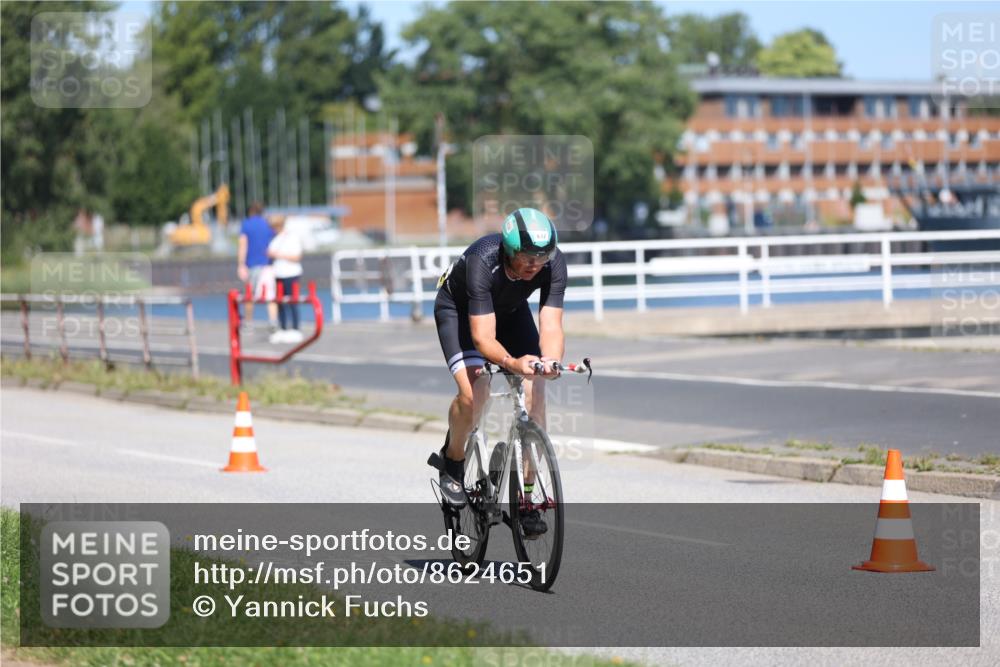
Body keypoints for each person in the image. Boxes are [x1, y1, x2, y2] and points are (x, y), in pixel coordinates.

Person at [433, 207, 566, 537]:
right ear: (508, 250)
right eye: (527, 257)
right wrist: (512, 363)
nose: (536, 265)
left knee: (537, 392)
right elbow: (482, 338)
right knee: (476, 391)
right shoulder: (482, 258)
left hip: (509, 312)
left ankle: (528, 500)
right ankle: (453, 463)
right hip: (461, 313)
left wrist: (547, 362)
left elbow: (551, 324)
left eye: (543, 256)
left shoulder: (553, 263)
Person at [237, 202, 278, 332]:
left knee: (249, 295)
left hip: (252, 264)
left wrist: (241, 264)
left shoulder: (246, 224)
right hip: (268, 264)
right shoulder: (268, 224)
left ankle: (249, 323)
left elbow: (243, 245)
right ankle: (273, 321)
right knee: (270, 294)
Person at [266, 214, 304, 344]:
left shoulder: (292, 237)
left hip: (291, 273)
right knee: (280, 302)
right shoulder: (274, 238)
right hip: (278, 274)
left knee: (292, 301)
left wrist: (277, 255)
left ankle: (295, 328)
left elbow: (297, 257)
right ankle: (282, 328)